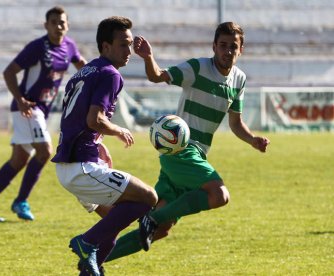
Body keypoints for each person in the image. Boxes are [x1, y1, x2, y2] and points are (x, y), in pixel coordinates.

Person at [105, 22, 271, 262]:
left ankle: (94, 258)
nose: (227, 51)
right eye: (222, 45)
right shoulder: (198, 68)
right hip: (180, 149)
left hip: (196, 156)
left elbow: (235, 123)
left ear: (241, 49)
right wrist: (148, 57)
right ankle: (151, 218)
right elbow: (158, 76)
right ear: (214, 46)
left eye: (233, 46)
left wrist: (253, 139)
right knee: (218, 194)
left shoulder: (239, 80)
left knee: (161, 229)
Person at [50, 16, 158, 275]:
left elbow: (75, 120)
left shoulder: (82, 73)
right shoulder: (110, 74)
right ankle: (86, 243)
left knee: (115, 220)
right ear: (106, 46)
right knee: (148, 197)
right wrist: (119, 130)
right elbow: (94, 119)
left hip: (71, 165)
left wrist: (97, 143)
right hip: (82, 168)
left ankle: (92, 268)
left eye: (130, 44)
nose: (129, 51)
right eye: (123, 44)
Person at [0, 6, 87, 222]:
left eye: (62, 22)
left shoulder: (70, 46)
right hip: (28, 108)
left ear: (67, 25)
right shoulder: (37, 47)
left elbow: (82, 65)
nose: (58, 26)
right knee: (45, 152)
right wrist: (19, 99)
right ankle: (20, 201)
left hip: (42, 111)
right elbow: (9, 71)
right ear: (46, 25)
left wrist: (98, 75)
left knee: (18, 160)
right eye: (53, 22)